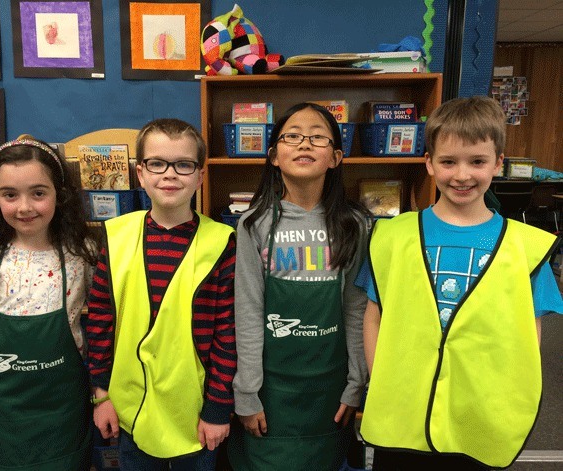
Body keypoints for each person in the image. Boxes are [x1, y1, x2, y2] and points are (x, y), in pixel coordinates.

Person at [359, 96, 563, 470]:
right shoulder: (393, 236)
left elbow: (527, 332)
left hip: (479, 411)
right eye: (448, 161)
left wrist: (508, 392)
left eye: (478, 161)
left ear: (498, 164)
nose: (462, 174)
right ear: (429, 163)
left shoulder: (524, 247)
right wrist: (381, 378)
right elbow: (374, 315)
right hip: (404, 410)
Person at [86, 118, 236, 471]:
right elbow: (100, 322)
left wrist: (217, 408)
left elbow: (227, 334)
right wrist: (101, 394)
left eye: (183, 165)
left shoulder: (222, 243)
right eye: (157, 163)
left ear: (199, 175)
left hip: (195, 412)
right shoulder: (116, 236)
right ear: (140, 173)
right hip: (129, 408)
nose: (170, 175)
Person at [227, 102, 371, 470]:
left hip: (330, 388)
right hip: (270, 391)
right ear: (274, 155)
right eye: (292, 136)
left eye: (318, 137)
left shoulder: (356, 225)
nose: (304, 144)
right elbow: (247, 311)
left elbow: (357, 309)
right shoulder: (252, 225)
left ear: (336, 157)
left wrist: (356, 382)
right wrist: (247, 393)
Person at [0, 135, 98, 471]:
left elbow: (106, 317)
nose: (25, 207)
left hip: (64, 406)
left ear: (60, 194)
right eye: (10, 195)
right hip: (7, 408)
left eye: (38, 193)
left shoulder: (81, 253)